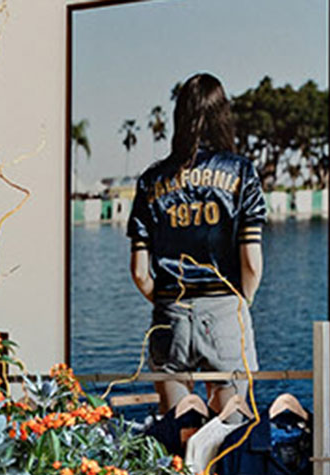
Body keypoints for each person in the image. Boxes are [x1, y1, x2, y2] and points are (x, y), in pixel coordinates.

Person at [127, 73, 267, 423]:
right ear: (223, 115)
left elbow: (140, 272)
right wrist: (239, 301)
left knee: (176, 430)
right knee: (235, 430)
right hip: (225, 307)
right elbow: (251, 263)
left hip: (170, 312)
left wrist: (169, 301)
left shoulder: (151, 180)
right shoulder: (242, 173)